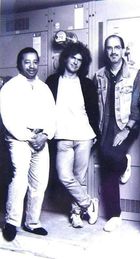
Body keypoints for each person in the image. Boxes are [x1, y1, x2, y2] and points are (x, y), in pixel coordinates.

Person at [0, 47, 56, 241]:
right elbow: (8, 117)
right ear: (19, 64)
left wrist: (46, 134)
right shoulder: (10, 87)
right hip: (19, 140)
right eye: (27, 62)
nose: (32, 66)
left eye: (34, 62)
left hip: (42, 139)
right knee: (19, 181)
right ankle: (11, 222)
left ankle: (32, 223)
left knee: (39, 182)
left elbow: (52, 115)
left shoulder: (44, 88)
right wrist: (29, 137)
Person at [46, 42, 99, 228]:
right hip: (62, 136)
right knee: (64, 176)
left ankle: (76, 214)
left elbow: (94, 111)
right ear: (65, 58)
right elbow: (46, 110)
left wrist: (95, 134)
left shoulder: (86, 83)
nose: (76, 62)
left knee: (80, 177)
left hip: (84, 135)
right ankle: (88, 204)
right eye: (73, 58)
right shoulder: (52, 81)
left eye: (80, 60)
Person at [93, 34, 140, 232]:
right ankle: (115, 216)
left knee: (113, 156)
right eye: (109, 48)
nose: (113, 51)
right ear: (106, 51)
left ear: (123, 50)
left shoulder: (135, 73)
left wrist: (127, 128)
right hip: (104, 126)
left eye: (117, 47)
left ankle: (124, 162)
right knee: (107, 167)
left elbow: (137, 105)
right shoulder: (99, 75)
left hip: (127, 124)